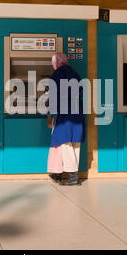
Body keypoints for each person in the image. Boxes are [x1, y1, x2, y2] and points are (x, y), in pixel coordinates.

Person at [46, 52, 85, 186]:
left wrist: (49, 114)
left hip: (64, 112)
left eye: (53, 63)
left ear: (56, 63)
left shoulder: (57, 75)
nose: (53, 66)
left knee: (65, 142)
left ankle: (73, 176)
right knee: (75, 142)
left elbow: (53, 96)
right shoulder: (75, 73)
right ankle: (73, 174)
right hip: (77, 111)